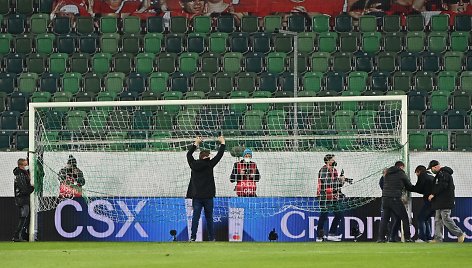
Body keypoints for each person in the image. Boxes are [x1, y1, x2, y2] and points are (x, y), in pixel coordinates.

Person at [186, 135, 226, 241]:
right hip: (208, 196)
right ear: (206, 157)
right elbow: (220, 155)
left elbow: (188, 154)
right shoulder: (210, 164)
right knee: (209, 218)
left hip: (197, 196)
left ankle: (193, 237)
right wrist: (222, 143)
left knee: (195, 218)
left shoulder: (193, 164)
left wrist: (196, 143)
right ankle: (211, 238)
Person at [427, 160, 466, 243]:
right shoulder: (440, 174)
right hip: (440, 201)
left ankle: (460, 234)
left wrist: (433, 194)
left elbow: (442, 186)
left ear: (436, 167)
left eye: (432, 168)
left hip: (445, 201)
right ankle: (438, 238)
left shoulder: (443, 174)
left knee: (445, 219)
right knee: (438, 220)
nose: (431, 170)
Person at [378, 161, 415, 242]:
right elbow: (409, 186)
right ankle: (407, 238)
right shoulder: (401, 173)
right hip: (395, 198)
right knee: (404, 218)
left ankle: (381, 238)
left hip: (385, 198)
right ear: (401, 167)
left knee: (385, 219)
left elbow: (382, 184)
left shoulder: (387, 173)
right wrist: (417, 188)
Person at [316, 154, 347, 242]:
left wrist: (342, 180)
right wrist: (339, 180)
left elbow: (338, 185)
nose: (335, 161)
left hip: (333, 196)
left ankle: (331, 234)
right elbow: (328, 183)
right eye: (333, 159)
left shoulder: (334, 170)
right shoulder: (324, 170)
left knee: (339, 214)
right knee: (324, 216)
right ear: (328, 161)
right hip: (324, 196)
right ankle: (319, 236)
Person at [12, 158, 34, 242]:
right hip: (22, 198)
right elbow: (24, 189)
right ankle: (17, 236)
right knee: (23, 217)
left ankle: (18, 236)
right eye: (25, 165)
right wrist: (32, 188)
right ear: (21, 165)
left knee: (24, 217)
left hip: (21, 198)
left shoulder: (22, 173)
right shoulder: (20, 174)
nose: (27, 166)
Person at [412, 165, 435, 242]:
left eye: (416, 173)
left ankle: (422, 238)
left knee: (420, 218)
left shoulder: (422, 176)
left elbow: (418, 188)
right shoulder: (430, 175)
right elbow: (423, 189)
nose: (417, 175)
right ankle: (428, 238)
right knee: (425, 219)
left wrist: (409, 187)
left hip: (429, 201)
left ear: (419, 171)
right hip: (435, 201)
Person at [379, 168, 401, 242]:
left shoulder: (384, 179)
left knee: (390, 219)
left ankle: (388, 237)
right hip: (391, 200)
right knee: (388, 219)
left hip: (386, 200)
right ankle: (389, 237)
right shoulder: (386, 179)